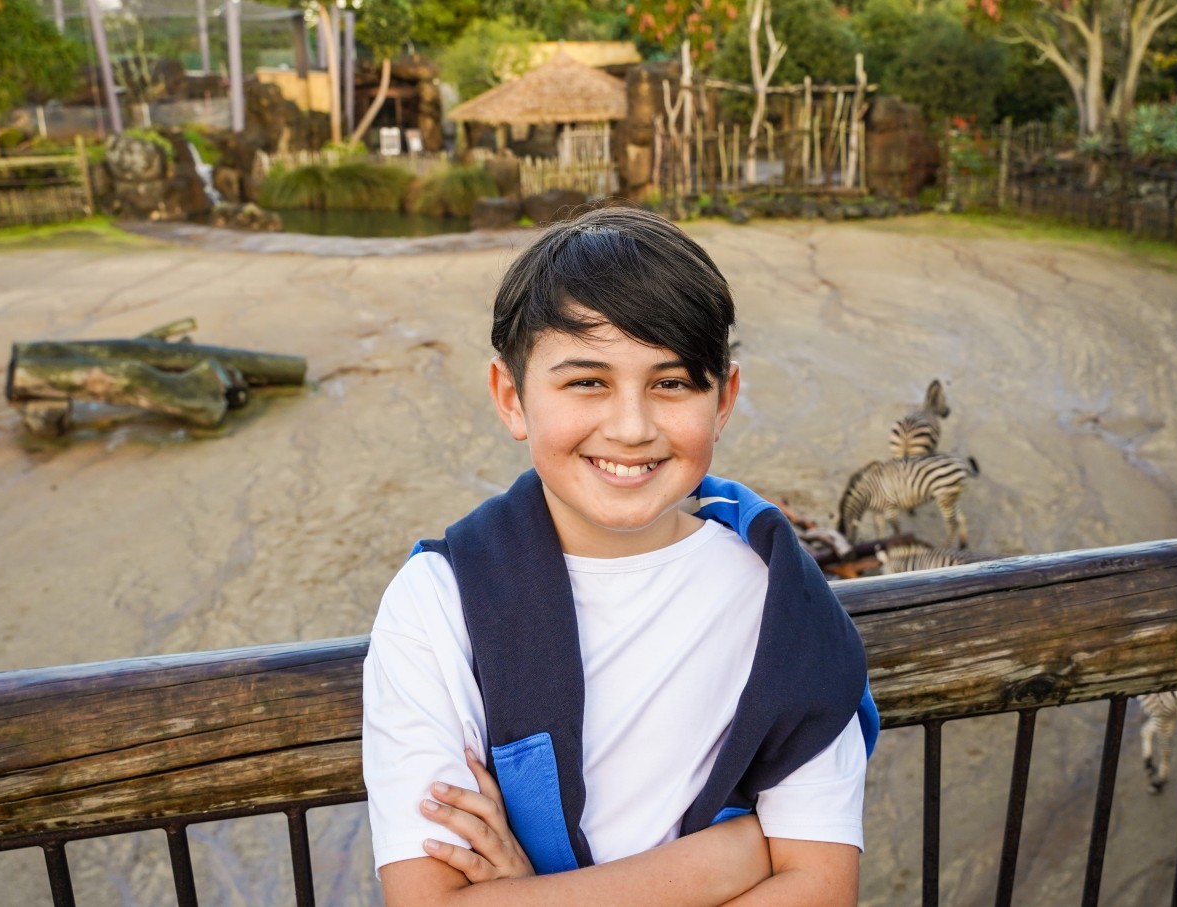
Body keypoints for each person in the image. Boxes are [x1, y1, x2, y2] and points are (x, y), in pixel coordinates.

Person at [362, 206, 879, 906]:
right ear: (511, 398)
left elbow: (820, 891)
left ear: (723, 399)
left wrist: (535, 893)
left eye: (671, 383)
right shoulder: (438, 604)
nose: (632, 427)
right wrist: (732, 858)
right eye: (587, 382)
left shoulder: (779, 598)